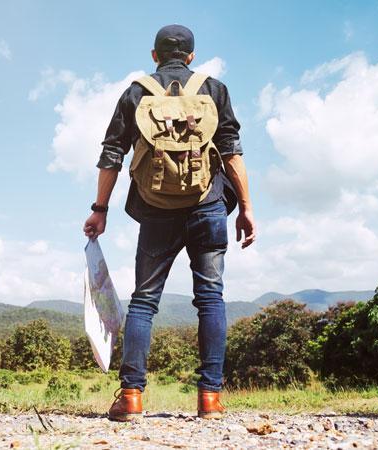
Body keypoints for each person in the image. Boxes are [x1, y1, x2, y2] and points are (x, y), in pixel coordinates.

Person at [83, 24, 256, 421]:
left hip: (155, 210)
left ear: (154, 54)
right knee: (210, 299)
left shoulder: (136, 92)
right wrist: (245, 206)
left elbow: (112, 154)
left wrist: (100, 209)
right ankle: (209, 399)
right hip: (208, 205)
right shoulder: (213, 90)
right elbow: (231, 154)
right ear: (192, 56)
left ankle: (130, 397)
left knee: (144, 301)